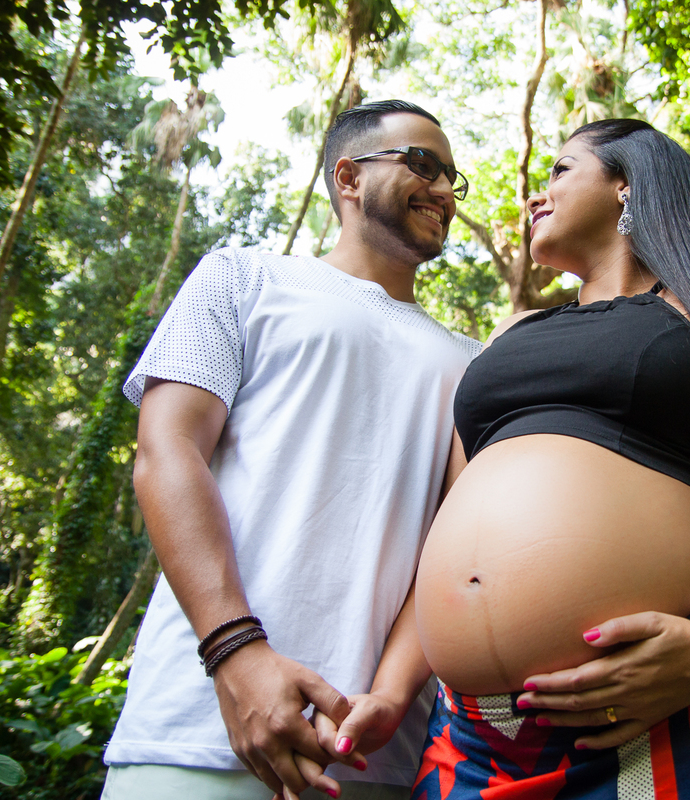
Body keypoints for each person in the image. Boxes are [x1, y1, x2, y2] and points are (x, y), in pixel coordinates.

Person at [315, 119, 690, 799]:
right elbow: (449, 540)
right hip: (474, 743)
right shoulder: (508, 335)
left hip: (680, 709)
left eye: (561, 170)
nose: (534, 195)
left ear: (627, 184)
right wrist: (390, 692)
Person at [99, 100, 480, 800]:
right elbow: (165, 453)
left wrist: (392, 696)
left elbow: (453, 553)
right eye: (423, 164)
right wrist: (237, 655)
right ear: (348, 177)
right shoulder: (241, 278)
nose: (446, 191)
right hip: (196, 730)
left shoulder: (476, 364)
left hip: (373, 758)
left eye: (454, 177)